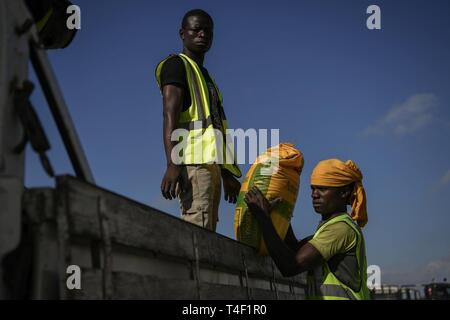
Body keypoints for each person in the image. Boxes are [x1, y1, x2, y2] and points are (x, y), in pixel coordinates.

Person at [155, 9, 241, 231]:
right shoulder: (176, 64)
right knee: (199, 229)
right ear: (182, 33)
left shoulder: (206, 77)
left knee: (208, 228)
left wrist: (226, 172)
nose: (202, 34)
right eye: (196, 29)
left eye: (208, 31)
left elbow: (215, 127)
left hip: (210, 165)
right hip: (193, 163)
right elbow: (169, 115)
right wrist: (173, 163)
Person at [244, 159, 371, 300]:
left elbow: (290, 266)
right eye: (313, 188)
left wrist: (263, 217)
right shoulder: (329, 229)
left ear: (344, 192)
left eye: (322, 189)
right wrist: (278, 215)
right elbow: (294, 249)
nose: (314, 194)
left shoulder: (340, 229)